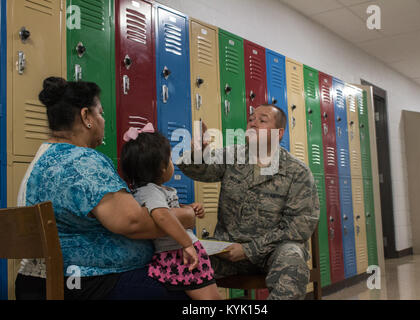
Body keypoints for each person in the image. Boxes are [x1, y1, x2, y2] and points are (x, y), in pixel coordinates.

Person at [15, 77, 195, 300]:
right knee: (190, 289)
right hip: (86, 284)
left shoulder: (42, 158)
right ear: (86, 117)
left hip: (43, 281)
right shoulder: (82, 161)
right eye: (100, 113)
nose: (103, 120)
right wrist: (186, 216)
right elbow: (134, 222)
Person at [177, 104, 320, 300]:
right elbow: (196, 170)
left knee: (292, 259)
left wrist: (249, 250)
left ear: (279, 133)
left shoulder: (297, 172)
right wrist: (198, 151)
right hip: (227, 251)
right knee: (180, 260)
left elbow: (299, 226)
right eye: (251, 119)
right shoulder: (232, 155)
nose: (253, 123)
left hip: (272, 252)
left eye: (262, 120)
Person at [120, 124, 222, 300]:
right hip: (179, 254)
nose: (172, 163)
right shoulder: (150, 191)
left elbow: (167, 209)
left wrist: (188, 208)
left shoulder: (152, 191)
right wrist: (187, 244)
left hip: (176, 254)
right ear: (162, 167)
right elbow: (162, 215)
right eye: (169, 159)